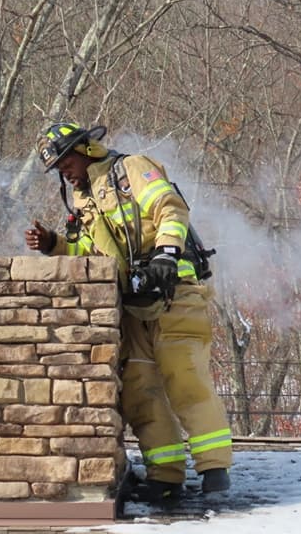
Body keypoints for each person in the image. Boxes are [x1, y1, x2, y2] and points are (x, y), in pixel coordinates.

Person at [26, 122, 232, 502]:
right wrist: (54, 244)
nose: (63, 172)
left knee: (183, 376)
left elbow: (170, 209)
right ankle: (166, 474)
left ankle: (214, 468)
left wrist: (167, 254)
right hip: (133, 305)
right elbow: (95, 256)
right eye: (56, 168)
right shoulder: (85, 201)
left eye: (64, 162)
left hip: (175, 293)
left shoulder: (132, 169)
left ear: (85, 150)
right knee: (140, 389)